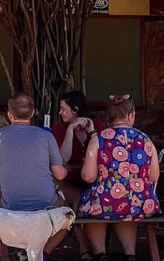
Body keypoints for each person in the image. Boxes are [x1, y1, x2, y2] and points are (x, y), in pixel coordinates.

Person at [0, 93, 69, 258]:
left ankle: (25, 251)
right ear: (33, 112)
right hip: (46, 203)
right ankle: (42, 252)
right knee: (69, 212)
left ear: (9, 114)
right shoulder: (46, 136)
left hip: (11, 204)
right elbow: (60, 174)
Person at [77, 94, 160, 261]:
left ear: (110, 116)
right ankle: (130, 254)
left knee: (91, 210)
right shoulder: (145, 139)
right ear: (131, 115)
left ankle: (101, 254)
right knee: (126, 209)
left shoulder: (98, 139)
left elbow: (88, 176)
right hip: (141, 202)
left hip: (106, 200)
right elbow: (153, 177)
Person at [51, 91, 106, 261]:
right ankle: (85, 250)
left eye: (63, 109)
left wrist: (91, 133)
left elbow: (104, 155)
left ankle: (99, 250)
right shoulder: (60, 128)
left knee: (94, 198)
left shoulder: (98, 125)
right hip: (68, 181)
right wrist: (70, 130)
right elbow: (63, 158)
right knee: (79, 198)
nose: (60, 113)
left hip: (94, 181)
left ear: (75, 109)